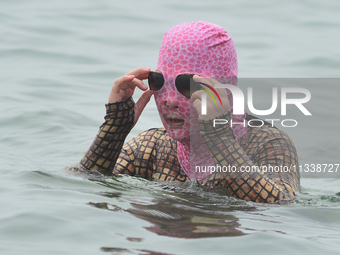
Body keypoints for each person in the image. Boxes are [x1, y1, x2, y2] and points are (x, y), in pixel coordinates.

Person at [69, 21, 300, 203]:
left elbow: (280, 206)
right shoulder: (154, 148)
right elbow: (81, 187)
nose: (169, 100)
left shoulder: (266, 144)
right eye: (158, 81)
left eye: (186, 86)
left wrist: (219, 139)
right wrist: (113, 131)